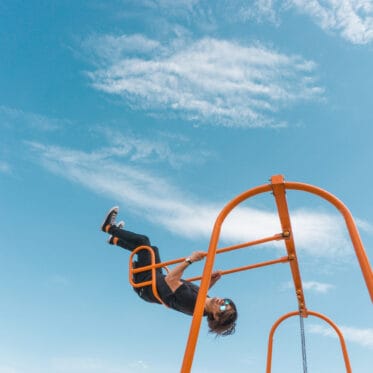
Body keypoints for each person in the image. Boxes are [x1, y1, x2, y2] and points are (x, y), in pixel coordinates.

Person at [101, 206, 238, 336]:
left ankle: (108, 227)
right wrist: (212, 280)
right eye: (226, 303)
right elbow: (202, 290)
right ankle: (115, 239)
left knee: (143, 242)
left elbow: (171, 280)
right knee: (152, 250)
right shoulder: (204, 301)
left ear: (215, 316)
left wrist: (190, 259)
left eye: (222, 308)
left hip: (147, 285)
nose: (222, 302)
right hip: (155, 279)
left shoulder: (193, 304)